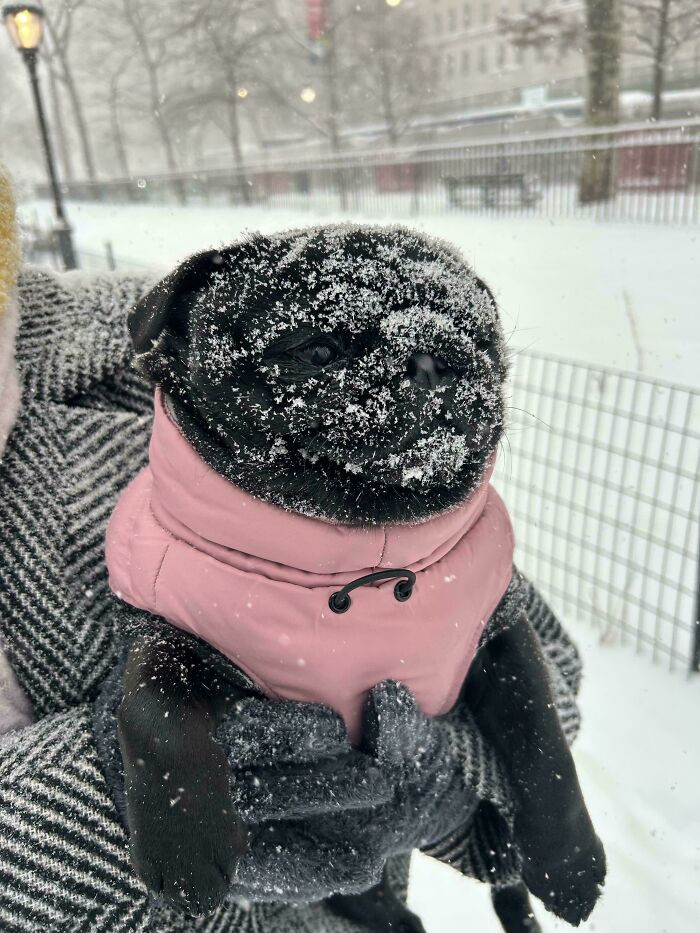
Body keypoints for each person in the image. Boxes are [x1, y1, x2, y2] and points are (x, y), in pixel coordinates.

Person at [0, 167, 583, 932]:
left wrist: (445, 774)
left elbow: (542, 669)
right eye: (322, 352)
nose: (421, 376)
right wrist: (75, 817)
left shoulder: (162, 330)